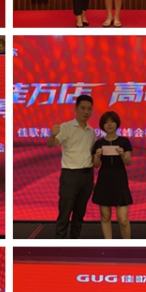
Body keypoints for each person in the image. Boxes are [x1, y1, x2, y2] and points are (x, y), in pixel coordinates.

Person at [46, 95, 96, 239]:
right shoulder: (66, 127)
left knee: (80, 213)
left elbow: (91, 155)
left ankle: (75, 241)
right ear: (76, 109)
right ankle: (60, 243)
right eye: (83, 108)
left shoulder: (91, 132)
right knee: (65, 211)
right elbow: (51, 144)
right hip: (70, 175)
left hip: (87, 175)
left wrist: (92, 178)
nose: (86, 112)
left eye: (89, 109)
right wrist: (52, 135)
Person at [92, 111, 133, 239]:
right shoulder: (98, 143)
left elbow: (128, 162)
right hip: (104, 181)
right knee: (105, 216)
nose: (109, 125)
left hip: (120, 181)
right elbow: (96, 165)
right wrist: (97, 156)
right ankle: (108, 245)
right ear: (102, 125)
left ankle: (127, 246)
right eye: (106, 122)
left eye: (112, 122)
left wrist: (123, 155)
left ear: (117, 124)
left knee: (123, 219)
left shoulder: (124, 141)